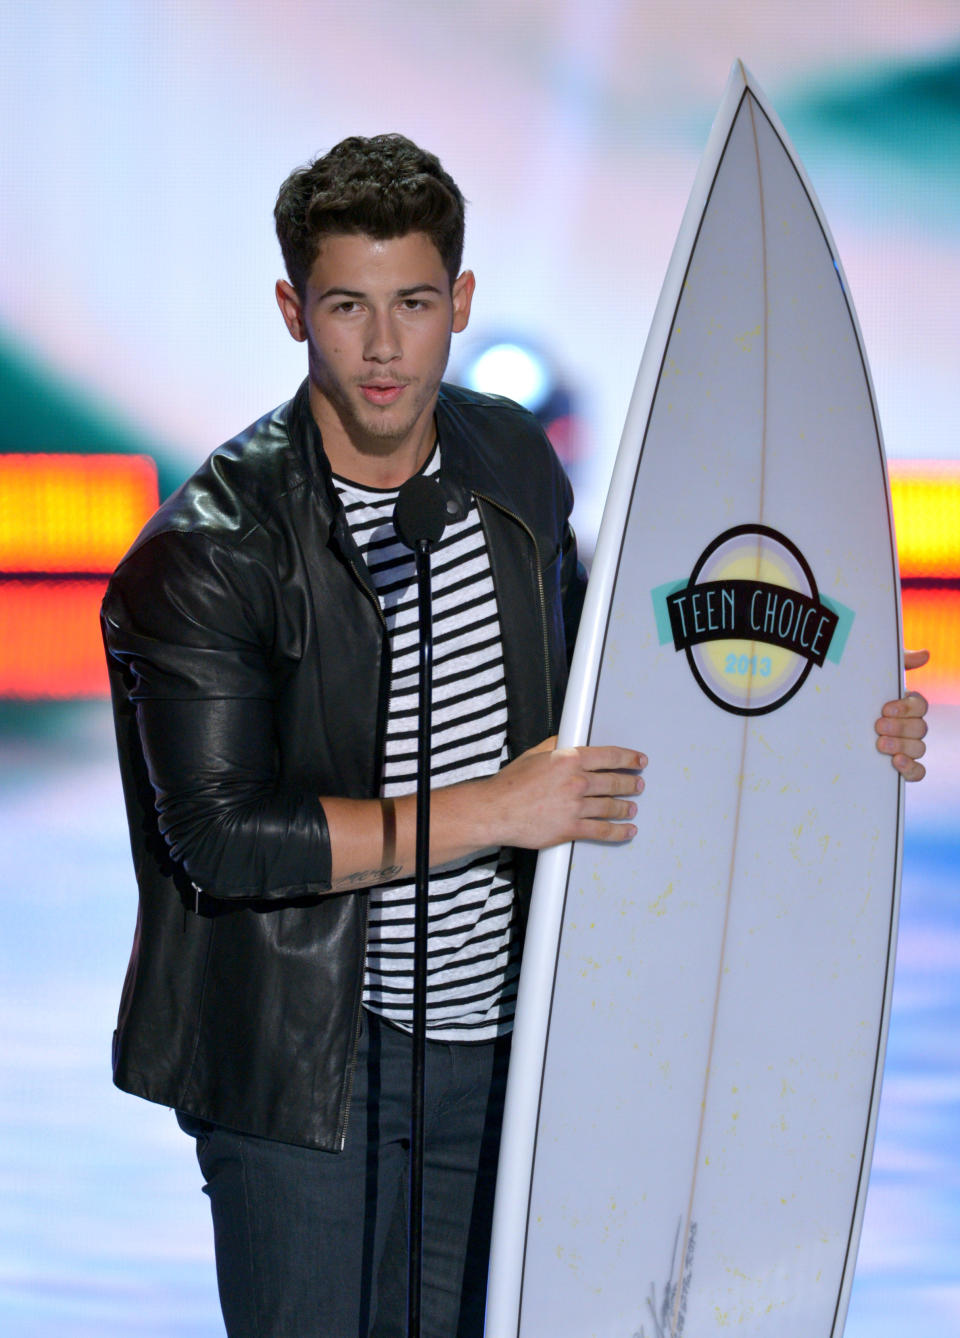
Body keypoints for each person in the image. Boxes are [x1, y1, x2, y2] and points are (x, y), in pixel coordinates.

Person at [101, 134, 929, 1338]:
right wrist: (502, 810)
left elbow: (624, 700)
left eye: (415, 304)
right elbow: (226, 841)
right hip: (298, 1082)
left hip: (512, 1056)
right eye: (348, 306)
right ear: (294, 310)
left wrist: (829, 723)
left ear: (461, 303)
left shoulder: (514, 468)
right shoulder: (208, 554)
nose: (385, 350)